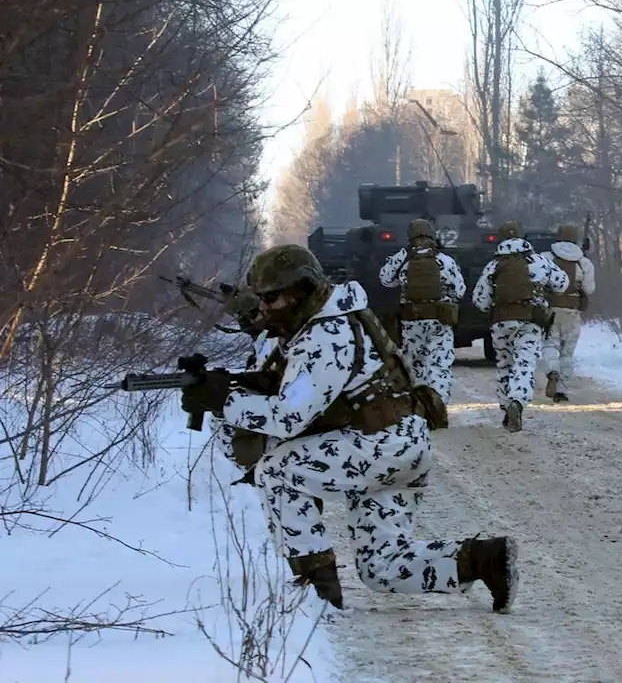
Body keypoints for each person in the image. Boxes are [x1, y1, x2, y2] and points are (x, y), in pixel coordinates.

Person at [180, 244, 518, 612]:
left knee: (277, 471)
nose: (264, 307)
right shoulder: (329, 317)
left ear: (302, 290)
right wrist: (231, 387)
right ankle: (485, 560)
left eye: (272, 298)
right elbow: (289, 385)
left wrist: (222, 402)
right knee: (382, 568)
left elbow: (288, 417)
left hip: (377, 447)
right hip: (394, 446)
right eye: (261, 298)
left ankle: (315, 593)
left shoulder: (326, 336)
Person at [471, 222, 570, 431]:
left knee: (505, 364)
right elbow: (562, 283)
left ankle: (506, 406)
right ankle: (517, 401)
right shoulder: (539, 261)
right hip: (530, 321)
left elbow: (480, 301)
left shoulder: (493, 265)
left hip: (501, 323)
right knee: (524, 364)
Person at [378, 218, 467, 429]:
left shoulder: (404, 259)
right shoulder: (444, 260)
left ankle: (417, 411)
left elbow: (385, 279)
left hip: (411, 321)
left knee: (413, 366)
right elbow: (460, 290)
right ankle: (437, 409)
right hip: (439, 320)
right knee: (438, 366)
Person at [540, 223, 596, 402]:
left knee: (549, 344)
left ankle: (552, 371)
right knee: (567, 351)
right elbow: (589, 289)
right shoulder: (584, 262)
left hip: (550, 310)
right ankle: (561, 390)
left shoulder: (546, 257)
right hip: (572, 311)